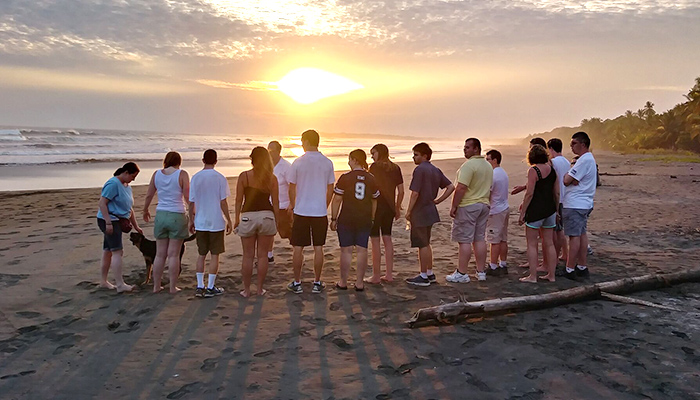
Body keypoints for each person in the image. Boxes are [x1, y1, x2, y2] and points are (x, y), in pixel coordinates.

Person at [286, 129, 335, 294]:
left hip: (302, 210)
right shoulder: (327, 162)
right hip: (319, 211)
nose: (301, 143)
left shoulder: (298, 162)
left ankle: (297, 282)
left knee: (298, 247)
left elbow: (291, 188)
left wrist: (293, 205)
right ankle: (316, 282)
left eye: (302, 140)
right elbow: (330, 189)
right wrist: (325, 204)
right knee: (318, 246)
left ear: (307, 141)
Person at [405, 142, 455, 286]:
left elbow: (415, 193)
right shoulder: (435, 169)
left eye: (416, 155)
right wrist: (438, 200)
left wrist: (408, 211)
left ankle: (423, 275)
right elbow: (450, 186)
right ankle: (429, 272)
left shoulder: (420, 170)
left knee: (422, 244)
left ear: (424, 156)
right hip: (430, 210)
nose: (413, 158)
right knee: (426, 243)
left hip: (420, 211)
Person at [330, 149, 379, 291]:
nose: (348, 162)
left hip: (347, 217)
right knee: (362, 250)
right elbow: (374, 200)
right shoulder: (371, 178)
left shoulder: (345, 177)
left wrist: (333, 218)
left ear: (354, 160)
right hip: (364, 218)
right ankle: (359, 283)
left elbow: (337, 199)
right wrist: (372, 217)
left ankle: (343, 282)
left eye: (349, 159)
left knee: (346, 250)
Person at [446, 138, 493, 283]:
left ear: (476, 149)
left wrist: (454, 206)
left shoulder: (468, 165)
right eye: (464, 147)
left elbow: (461, 187)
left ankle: (462, 272)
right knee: (479, 238)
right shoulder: (488, 165)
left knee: (464, 240)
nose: (464, 149)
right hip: (483, 203)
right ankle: (481, 271)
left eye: (467, 147)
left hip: (469, 204)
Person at [234, 147, 279, 297]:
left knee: (248, 255)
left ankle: (246, 290)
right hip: (267, 215)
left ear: (252, 158)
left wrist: (236, 219)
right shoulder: (272, 178)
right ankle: (259, 289)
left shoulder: (244, 176)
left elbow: (239, 200)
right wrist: (277, 221)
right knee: (262, 255)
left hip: (248, 216)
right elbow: (276, 202)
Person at [143, 151, 190, 294]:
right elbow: (187, 196)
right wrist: (193, 212)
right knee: (174, 254)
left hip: (161, 214)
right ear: (179, 162)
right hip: (177, 214)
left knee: (160, 254)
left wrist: (145, 209)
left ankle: (156, 286)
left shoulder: (156, 174)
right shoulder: (182, 174)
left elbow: (149, 194)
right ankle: (172, 287)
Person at [188, 149, 232, 298]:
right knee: (215, 255)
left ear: (203, 160)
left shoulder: (195, 177)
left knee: (201, 254)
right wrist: (229, 219)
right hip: (216, 221)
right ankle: (211, 286)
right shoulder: (220, 178)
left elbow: (191, 201)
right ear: (216, 161)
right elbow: (223, 202)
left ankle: (200, 285)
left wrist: (190, 219)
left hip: (200, 220)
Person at [96, 162, 142, 293]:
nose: (134, 179)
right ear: (126, 172)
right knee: (117, 251)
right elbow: (102, 203)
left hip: (119, 219)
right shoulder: (113, 184)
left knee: (107, 251)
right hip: (109, 219)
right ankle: (120, 285)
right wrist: (108, 222)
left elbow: (129, 209)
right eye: (133, 176)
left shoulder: (127, 186)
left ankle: (103, 281)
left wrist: (136, 225)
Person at [519, 144, 558, 283]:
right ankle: (551, 275)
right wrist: (557, 210)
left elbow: (529, 193)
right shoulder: (552, 170)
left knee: (532, 244)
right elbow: (556, 192)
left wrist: (523, 212)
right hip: (550, 209)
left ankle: (533, 276)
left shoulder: (533, 170)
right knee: (549, 243)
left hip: (536, 210)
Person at [365, 144, 404, 283]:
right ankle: (389, 274)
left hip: (376, 207)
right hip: (389, 207)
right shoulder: (395, 168)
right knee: (387, 239)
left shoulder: (374, 167)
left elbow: (370, 188)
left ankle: (376, 276)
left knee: (375, 241)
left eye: (373, 153)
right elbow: (401, 191)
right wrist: (397, 207)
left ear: (379, 153)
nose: (372, 156)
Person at [562, 132, 597, 280]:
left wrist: (569, 177)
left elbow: (566, 180)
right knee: (581, 235)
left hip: (576, 203)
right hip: (584, 202)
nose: (571, 146)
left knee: (574, 237)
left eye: (574, 143)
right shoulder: (588, 160)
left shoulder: (583, 160)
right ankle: (582, 266)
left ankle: (570, 269)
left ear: (583, 144)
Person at [484, 149, 509, 276]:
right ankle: (502, 263)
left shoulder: (494, 174)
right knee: (502, 238)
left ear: (494, 160)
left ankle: (493, 265)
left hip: (496, 209)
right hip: (504, 207)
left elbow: (488, 192)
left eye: (488, 159)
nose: (486, 161)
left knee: (494, 240)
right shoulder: (502, 172)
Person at [266, 141, 292, 263]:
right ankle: (269, 255)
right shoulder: (266, 166)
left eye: (272, 151)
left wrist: (292, 204)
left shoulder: (286, 167)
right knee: (268, 232)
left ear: (278, 151)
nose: (270, 153)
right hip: (268, 204)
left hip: (283, 205)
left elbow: (293, 186)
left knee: (287, 232)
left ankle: (297, 253)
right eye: (268, 150)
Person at [547, 138, 570, 263]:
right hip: (565, 197)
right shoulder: (566, 162)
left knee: (556, 230)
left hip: (557, 198)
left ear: (551, 148)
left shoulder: (553, 163)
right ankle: (564, 253)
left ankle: (555, 256)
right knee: (560, 229)